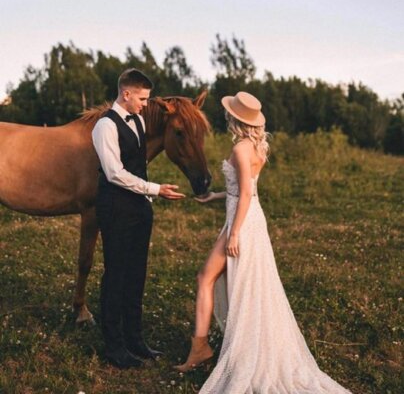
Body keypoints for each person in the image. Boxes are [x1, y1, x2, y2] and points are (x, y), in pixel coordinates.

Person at [174, 92, 352, 393]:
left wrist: (234, 233)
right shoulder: (256, 147)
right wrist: (214, 196)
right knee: (240, 283)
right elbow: (245, 191)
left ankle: (202, 349)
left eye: (229, 114)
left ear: (234, 118)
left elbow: (245, 193)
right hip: (249, 217)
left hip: (242, 223)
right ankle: (204, 346)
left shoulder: (241, 148)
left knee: (206, 277)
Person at [92, 68, 185, 369]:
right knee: (116, 274)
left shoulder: (140, 120)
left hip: (139, 208)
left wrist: (146, 198)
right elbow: (114, 173)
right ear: (126, 93)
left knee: (137, 275)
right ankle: (114, 346)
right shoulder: (105, 126)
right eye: (142, 99)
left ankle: (135, 339)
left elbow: (137, 165)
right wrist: (155, 189)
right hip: (115, 208)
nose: (146, 105)